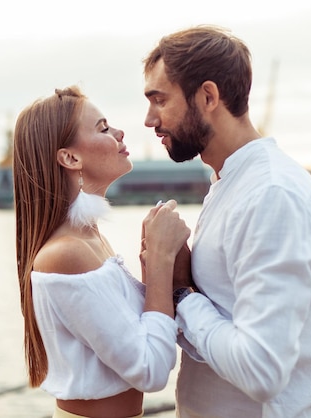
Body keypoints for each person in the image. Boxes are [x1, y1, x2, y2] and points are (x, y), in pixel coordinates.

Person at [142, 26, 311, 417]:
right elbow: (223, 328)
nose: (150, 120)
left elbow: (260, 370)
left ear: (208, 96)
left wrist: (183, 293)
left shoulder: (270, 194)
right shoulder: (231, 183)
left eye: (159, 100)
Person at [12, 86, 190, 418]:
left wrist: (152, 261)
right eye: (103, 128)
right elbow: (149, 370)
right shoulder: (66, 254)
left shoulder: (90, 241)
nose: (120, 132)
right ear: (70, 158)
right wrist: (161, 261)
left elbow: (141, 339)